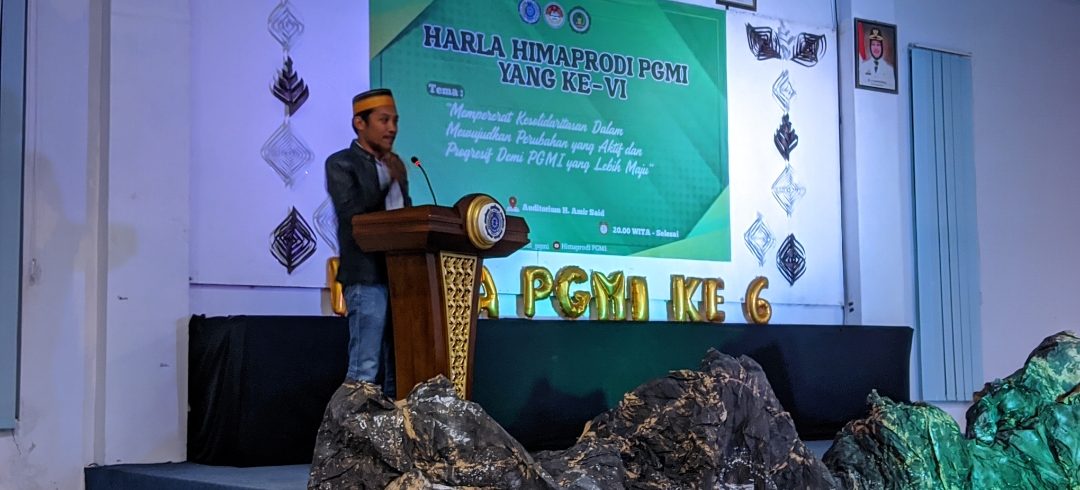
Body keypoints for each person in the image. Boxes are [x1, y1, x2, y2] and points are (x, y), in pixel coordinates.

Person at [325, 88, 411, 397]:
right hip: (366, 276)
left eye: (395, 121)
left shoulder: (396, 165)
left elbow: (406, 217)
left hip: (400, 276)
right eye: (384, 120)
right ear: (359, 123)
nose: (392, 128)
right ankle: (353, 427)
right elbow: (355, 216)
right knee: (365, 368)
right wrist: (389, 179)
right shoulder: (341, 163)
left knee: (400, 367)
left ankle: (396, 425)